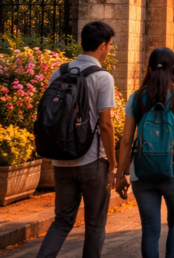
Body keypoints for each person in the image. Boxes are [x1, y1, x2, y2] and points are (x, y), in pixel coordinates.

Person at [37, 21, 117, 258]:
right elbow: (105, 125)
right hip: (92, 161)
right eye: (110, 45)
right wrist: (113, 164)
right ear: (102, 46)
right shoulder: (103, 77)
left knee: (62, 221)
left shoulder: (58, 73)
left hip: (61, 160)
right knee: (94, 225)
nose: (109, 49)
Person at [115, 47, 174, 258]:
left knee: (150, 230)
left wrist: (119, 175)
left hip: (141, 172)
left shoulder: (136, 98)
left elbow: (126, 141)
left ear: (149, 68)